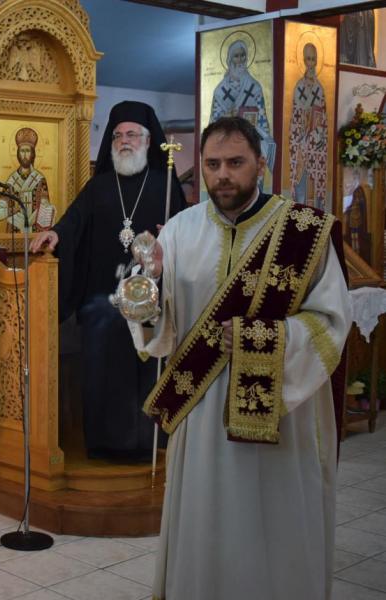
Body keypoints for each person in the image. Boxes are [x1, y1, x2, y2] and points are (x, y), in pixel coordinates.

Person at [128, 116, 350, 600]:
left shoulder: (303, 232)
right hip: (202, 415)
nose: (223, 175)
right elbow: (156, 330)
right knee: (205, 522)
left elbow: (332, 324)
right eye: (212, 165)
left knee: (274, 527)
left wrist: (265, 338)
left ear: (260, 164)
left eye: (235, 162)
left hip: (283, 416)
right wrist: (150, 284)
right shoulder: (180, 231)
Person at [29, 101, 186, 460]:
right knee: (103, 330)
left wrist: (174, 236)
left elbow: (184, 233)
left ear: (148, 140)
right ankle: (106, 444)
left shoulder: (164, 185)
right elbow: (74, 220)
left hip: (151, 297)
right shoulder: (99, 186)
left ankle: (148, 443)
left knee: (147, 359)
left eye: (132, 134)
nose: (124, 141)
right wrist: (56, 234)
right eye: (117, 135)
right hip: (104, 297)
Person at [211, 40, 277, 180]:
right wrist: (227, 117)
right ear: (230, 59)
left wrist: (254, 128)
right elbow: (213, 126)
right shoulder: (220, 91)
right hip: (227, 143)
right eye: (236, 56)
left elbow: (262, 120)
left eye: (243, 55)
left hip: (249, 140)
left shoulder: (255, 87)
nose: (240, 59)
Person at [289, 43, 328, 211]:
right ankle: (299, 212)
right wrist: (302, 126)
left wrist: (319, 132)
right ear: (304, 61)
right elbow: (295, 116)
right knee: (301, 180)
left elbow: (323, 117)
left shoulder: (320, 88)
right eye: (308, 59)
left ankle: (316, 214)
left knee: (315, 181)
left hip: (316, 146)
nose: (311, 63)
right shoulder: (299, 86)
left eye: (314, 59)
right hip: (301, 142)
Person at [0, 127, 55, 233]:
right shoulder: (11, 181)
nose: (25, 155)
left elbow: (45, 207)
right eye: (22, 151)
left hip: (35, 231)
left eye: (28, 151)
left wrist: (44, 211)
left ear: (33, 154)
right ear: (18, 153)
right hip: (15, 231)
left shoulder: (40, 179)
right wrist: (12, 210)